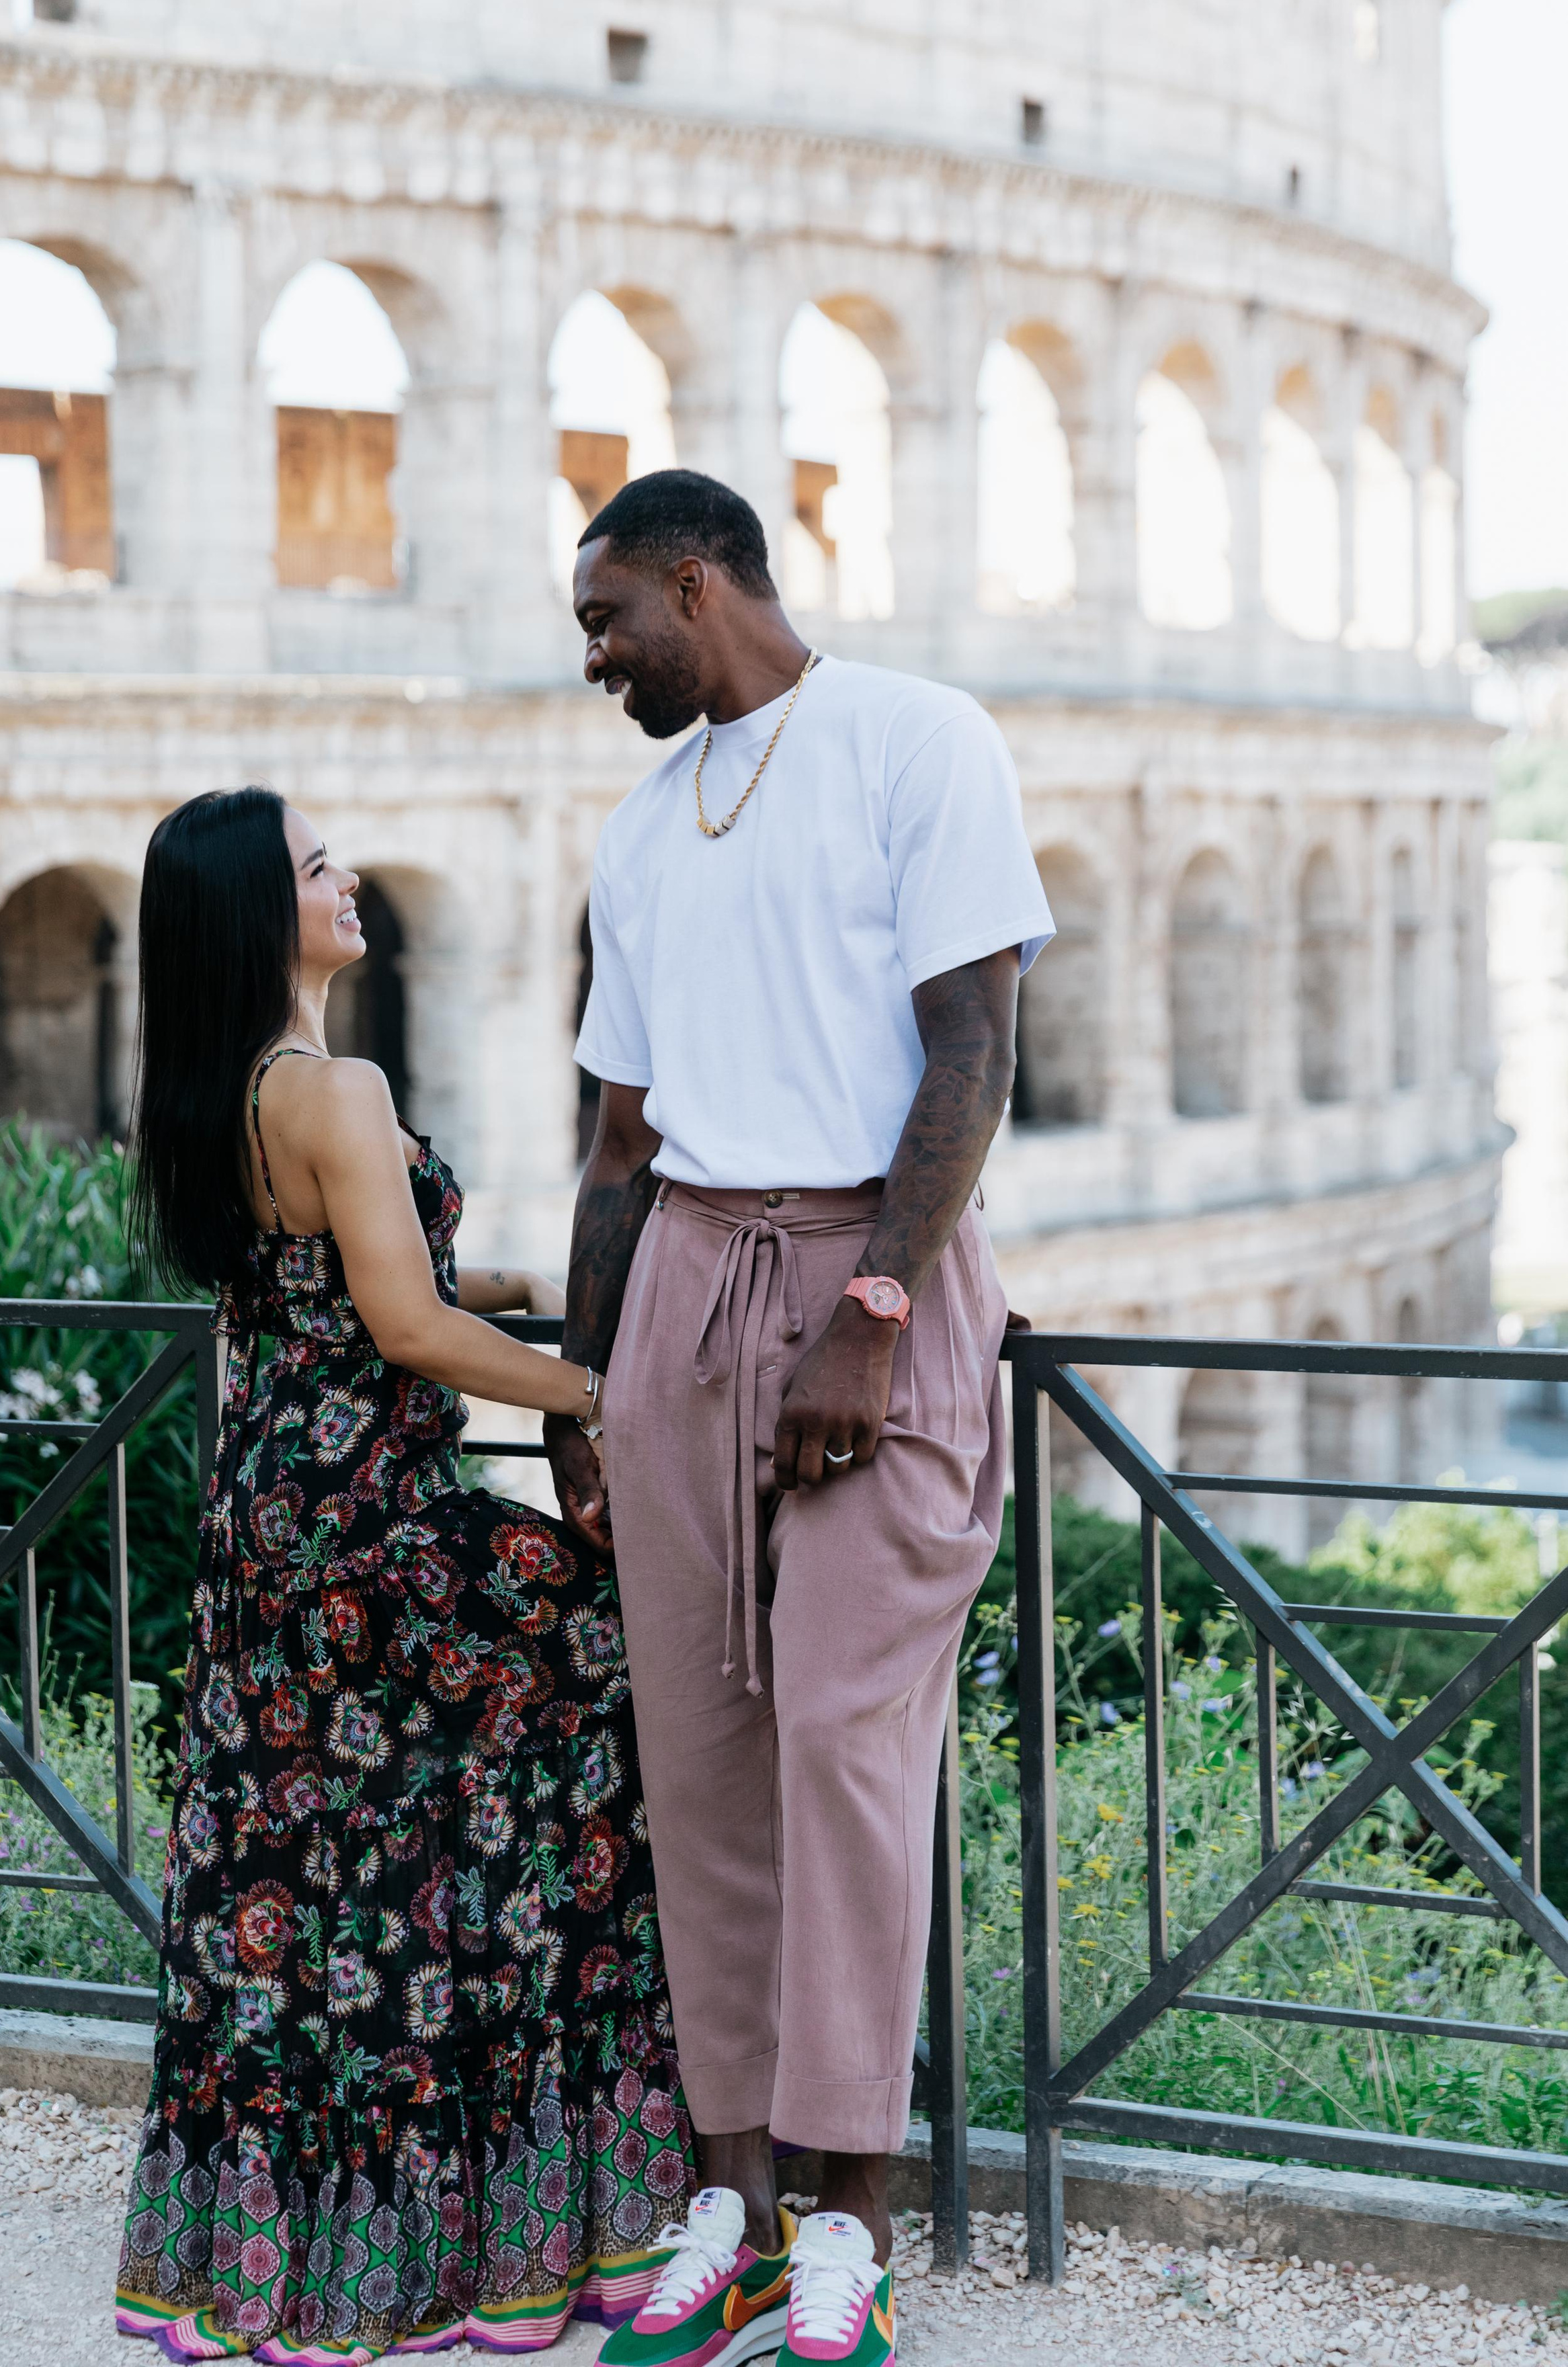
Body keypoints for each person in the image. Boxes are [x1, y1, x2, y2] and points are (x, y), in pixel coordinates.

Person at [542, 471, 1054, 2367]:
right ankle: (731, 2208)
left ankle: (852, 2220)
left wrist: (878, 1305)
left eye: (607, 623)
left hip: (870, 1281)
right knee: (702, 1757)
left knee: (847, 1745)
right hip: (683, 1283)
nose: (594, 662)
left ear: (696, 583)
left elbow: (974, 1045)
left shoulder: (920, 741)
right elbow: (616, 1140)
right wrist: (589, 1392)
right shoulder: (639, 826)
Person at [114, 786, 691, 2365]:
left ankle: (305, 2245)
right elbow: (410, 1331)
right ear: (258, 912)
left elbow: (372, 1284)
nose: (348, 877)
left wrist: (533, 1291)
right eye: (316, 867)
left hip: (270, 1522)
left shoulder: (219, 1093)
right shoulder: (335, 1086)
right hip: (374, 1516)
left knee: (309, 1877)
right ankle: (554, 2186)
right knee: (599, 1692)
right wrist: (601, 1394)